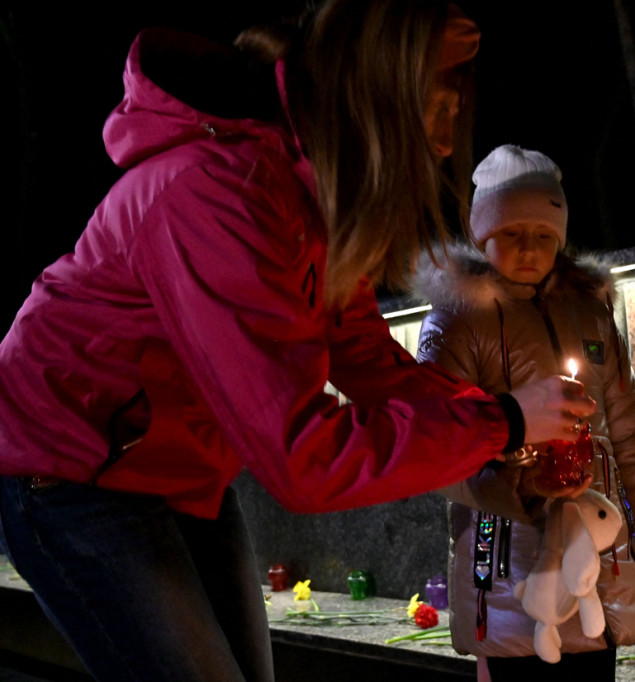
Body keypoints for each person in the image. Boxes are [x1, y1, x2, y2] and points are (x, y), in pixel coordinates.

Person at [0, 4, 594, 681]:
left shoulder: (307, 193)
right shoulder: (218, 191)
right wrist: (506, 418)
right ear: (376, 98)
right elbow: (303, 460)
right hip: (70, 471)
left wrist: (505, 428)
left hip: (181, 469)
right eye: (434, 110)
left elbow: (369, 361)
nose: (443, 146)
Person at [415, 145, 635, 681]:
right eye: (511, 233)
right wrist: (516, 473)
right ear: (481, 235)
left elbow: (631, 435)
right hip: (506, 571)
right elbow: (435, 447)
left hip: (598, 567)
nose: (528, 249)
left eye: (544, 235)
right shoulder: (457, 321)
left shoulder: (589, 313)